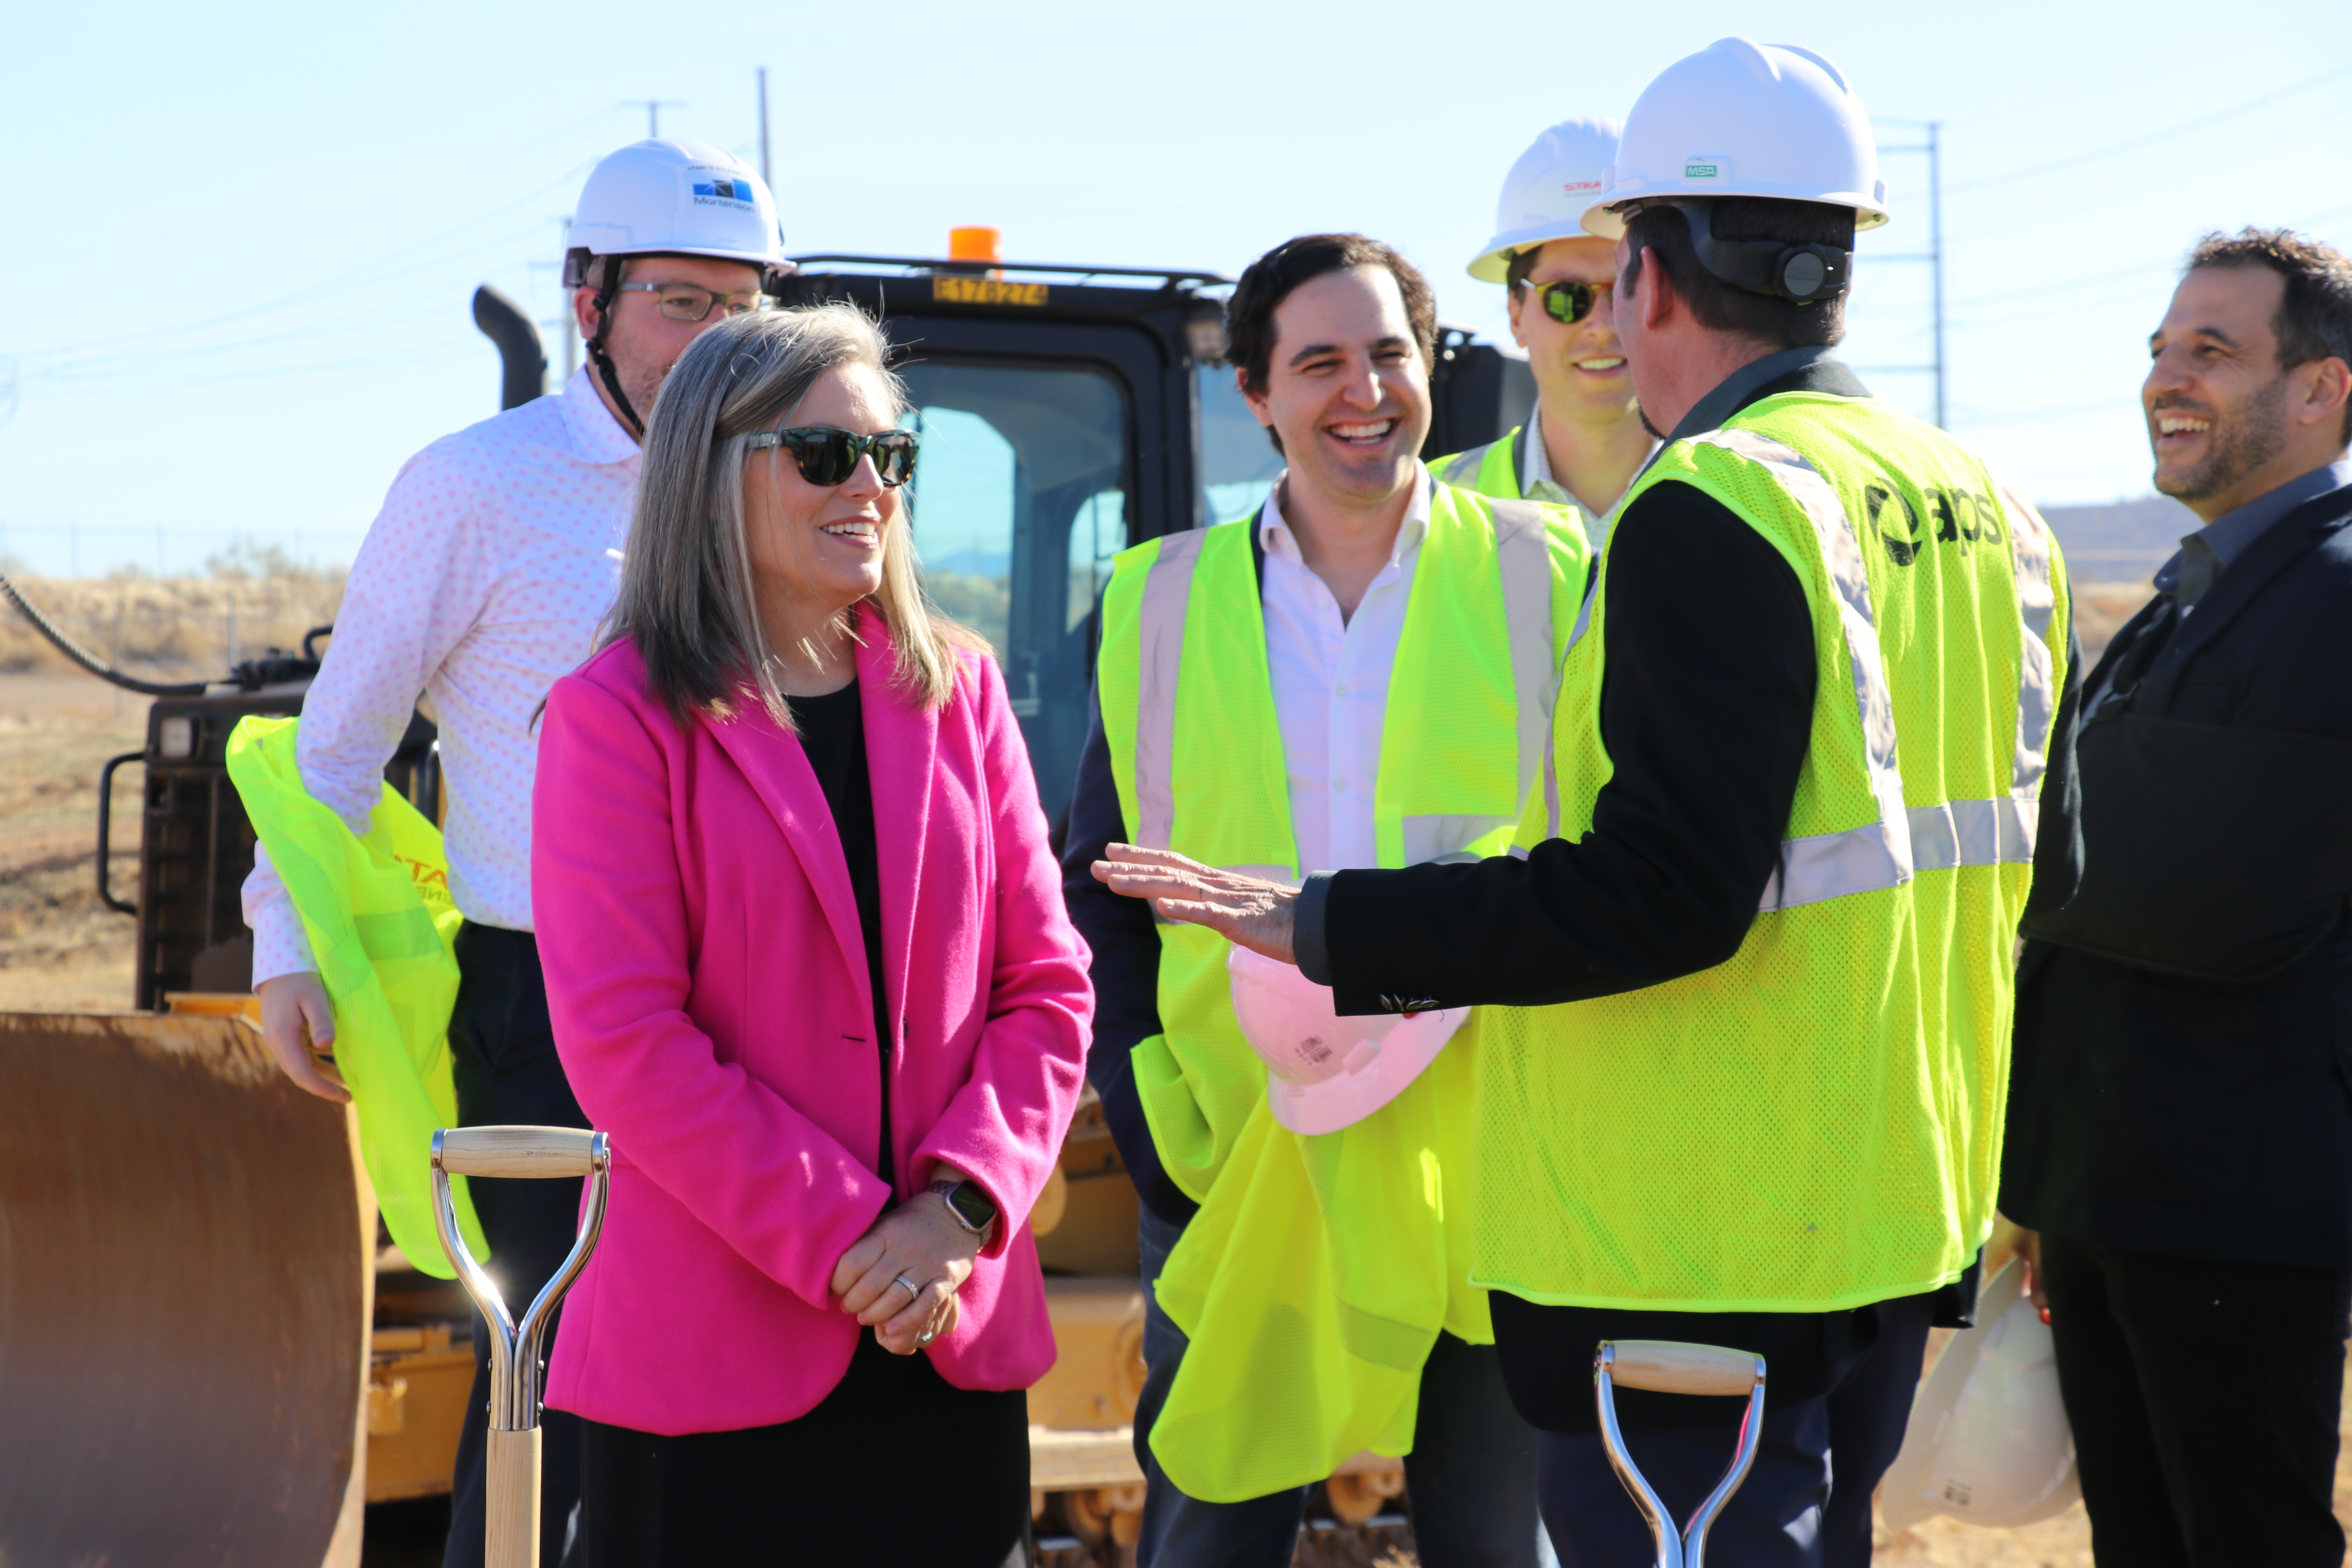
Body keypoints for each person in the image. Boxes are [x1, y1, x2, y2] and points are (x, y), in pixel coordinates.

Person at [1092, 38, 2083, 1568]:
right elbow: (2051, 877)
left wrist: (1328, 923)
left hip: (1708, 1234)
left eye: (1613, 277)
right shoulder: (1984, 504)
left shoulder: (1713, 506)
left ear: (1659, 283)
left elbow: (1659, 888)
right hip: (1904, 1210)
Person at [237, 138, 787, 1566]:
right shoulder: (473, 489)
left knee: (740, 1375)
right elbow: (337, 749)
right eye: (680, 301)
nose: (713, 340)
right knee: (556, 1362)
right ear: (586, 295)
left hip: (754, 1004)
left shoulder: (787, 484)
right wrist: (288, 945)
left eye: (745, 308)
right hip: (543, 1007)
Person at [531, 304, 1091, 1566]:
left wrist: (953, 1216)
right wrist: (853, 1239)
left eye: (892, 457)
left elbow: (1046, 989)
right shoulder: (613, 717)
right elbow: (625, 1039)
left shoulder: (963, 691)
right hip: (713, 1369)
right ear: (710, 470)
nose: (869, 490)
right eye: (826, 455)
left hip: (940, 1344)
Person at [1061, 233, 1585, 1568]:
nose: (1366, 391)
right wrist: (1145, 1094)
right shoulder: (1157, 602)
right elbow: (1103, 888)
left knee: (1497, 1537)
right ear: (1256, 394)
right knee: (1209, 1530)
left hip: (1487, 1151)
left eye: (1391, 354)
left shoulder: (1549, 570)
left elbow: (1604, 859)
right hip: (1241, 1151)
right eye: (1321, 363)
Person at [2000, 229, 2352, 1567]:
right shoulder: (2183, 600)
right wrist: (2047, 1180)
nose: (2167, 377)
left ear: (2322, 389)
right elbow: (2091, 880)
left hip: (2236, 1207)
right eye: (2160, 349)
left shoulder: (2331, 592)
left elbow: (2203, 903)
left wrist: (2046, 879)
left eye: (2213, 349)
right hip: (2110, 1194)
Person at [1437, 119, 1653, 523]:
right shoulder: (1432, 512)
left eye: (1629, 288)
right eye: (1567, 297)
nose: (1603, 325)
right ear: (1516, 315)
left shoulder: (1744, 495)